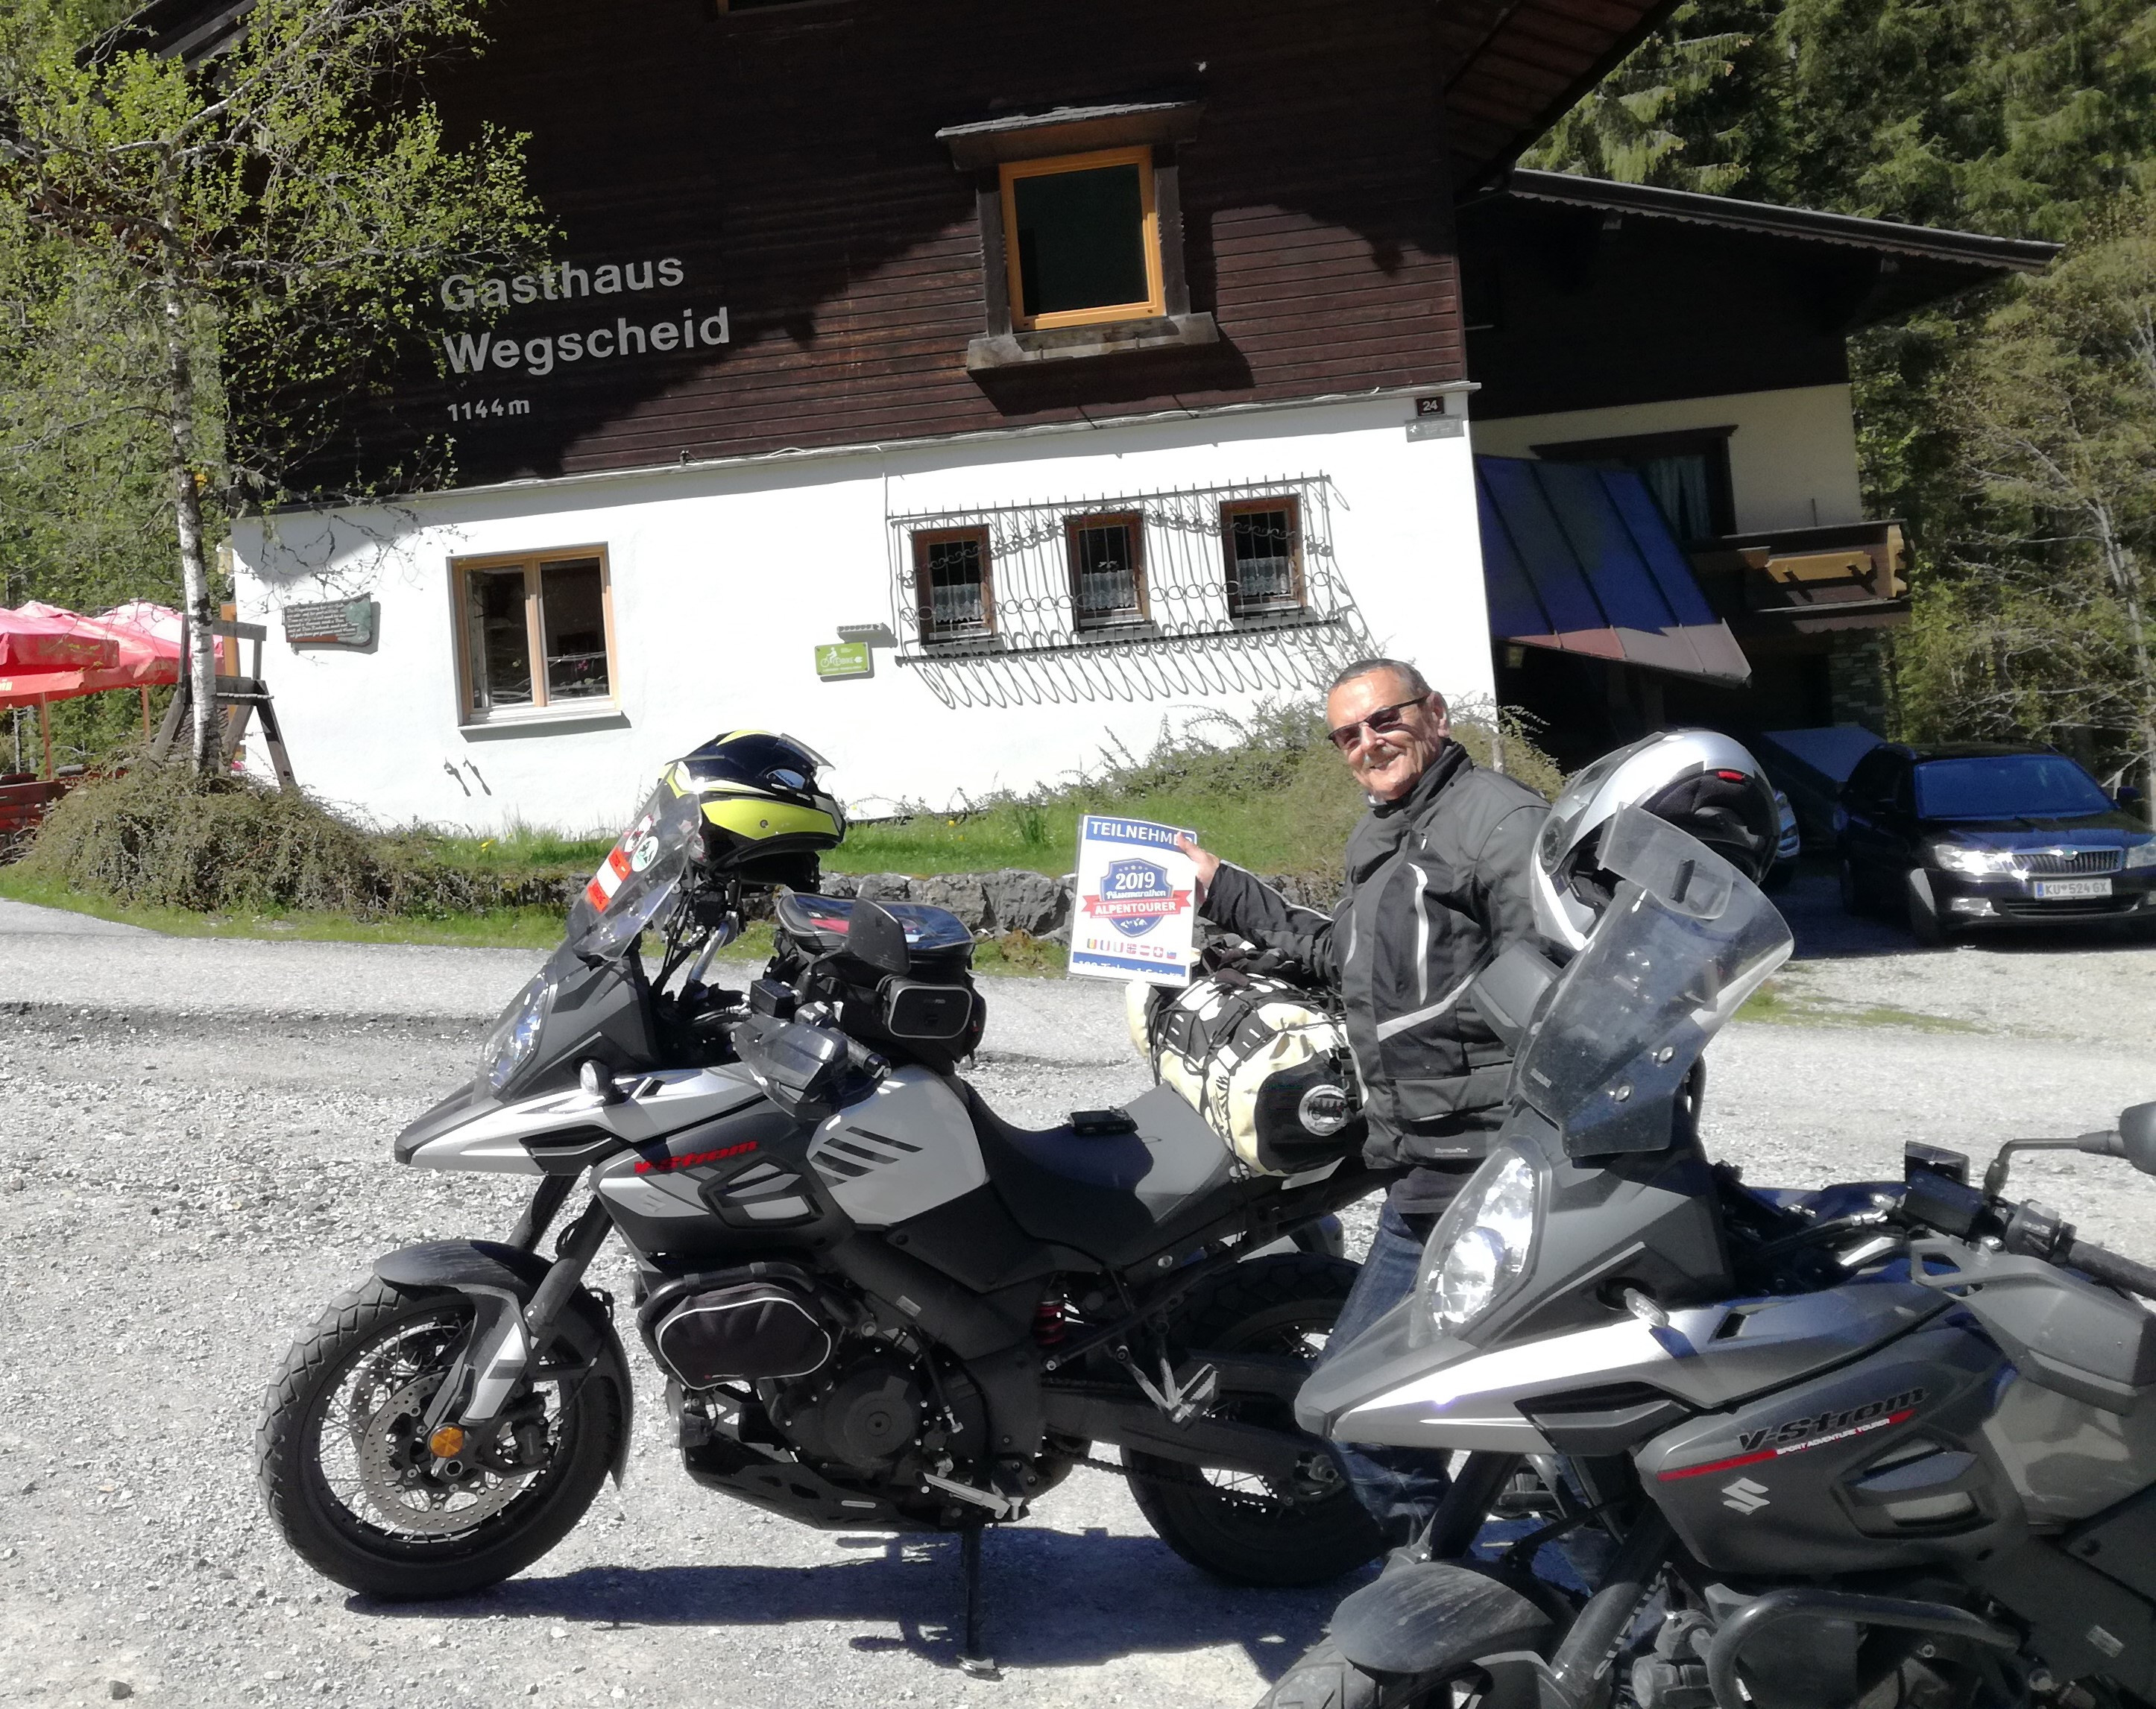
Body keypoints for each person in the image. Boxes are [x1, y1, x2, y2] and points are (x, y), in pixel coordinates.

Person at [1177, 657, 1548, 1542]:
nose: (1368, 744)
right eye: (1348, 734)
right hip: (1425, 1160)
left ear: (1436, 713)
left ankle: (1453, 1585)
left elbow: (1558, 980)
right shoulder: (1386, 834)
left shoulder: (1498, 821)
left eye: (1385, 720)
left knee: (1379, 1405)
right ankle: (1460, 1574)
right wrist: (1221, 887)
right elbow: (1339, 958)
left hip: (1486, 1159)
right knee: (1394, 1402)